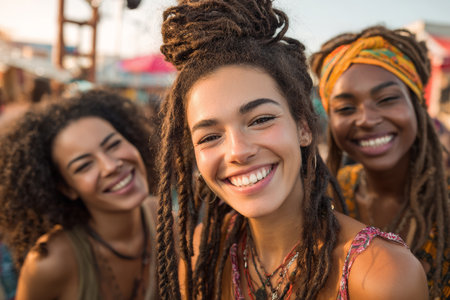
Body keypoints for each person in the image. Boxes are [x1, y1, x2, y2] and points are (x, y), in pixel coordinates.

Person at [155, 1, 428, 299]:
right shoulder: (201, 257)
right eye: (209, 136)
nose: (238, 151)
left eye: (261, 120)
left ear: (303, 127)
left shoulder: (381, 274)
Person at [310, 25, 449, 298]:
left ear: (416, 104)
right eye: (346, 108)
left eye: (386, 99)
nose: (367, 119)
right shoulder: (326, 199)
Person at [0, 90, 159, 299]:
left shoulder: (171, 222)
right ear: (66, 187)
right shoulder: (51, 262)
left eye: (114, 145)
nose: (110, 166)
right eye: (84, 165)